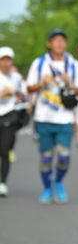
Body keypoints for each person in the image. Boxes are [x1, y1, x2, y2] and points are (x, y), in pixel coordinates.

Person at [26, 29, 78, 203]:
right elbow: (29, 88)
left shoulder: (74, 65)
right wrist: (41, 83)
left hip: (65, 119)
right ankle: (46, 188)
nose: (59, 43)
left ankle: (58, 182)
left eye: (62, 40)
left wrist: (69, 84)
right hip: (43, 118)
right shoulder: (39, 63)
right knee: (46, 157)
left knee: (64, 156)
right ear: (49, 43)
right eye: (56, 40)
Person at [0, 47, 26, 197]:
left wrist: (18, 93)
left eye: (8, 60)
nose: (6, 63)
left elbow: (24, 96)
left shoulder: (16, 77)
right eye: (3, 60)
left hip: (9, 115)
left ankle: (3, 183)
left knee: (5, 150)